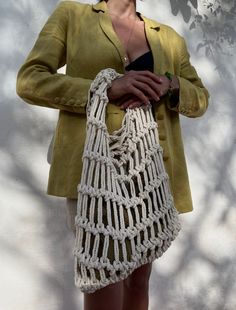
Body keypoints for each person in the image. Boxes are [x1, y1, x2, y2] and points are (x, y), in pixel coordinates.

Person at [16, 0, 209, 309]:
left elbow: (200, 98)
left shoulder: (169, 37)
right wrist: (104, 88)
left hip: (151, 173)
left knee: (138, 281)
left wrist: (170, 84)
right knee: (103, 274)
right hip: (95, 172)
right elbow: (30, 80)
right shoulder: (72, 16)